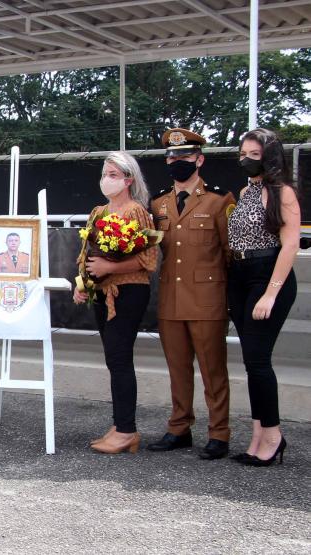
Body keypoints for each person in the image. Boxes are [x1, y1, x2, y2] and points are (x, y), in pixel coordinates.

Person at [147, 128, 236, 460]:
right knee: (178, 368)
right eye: (171, 156)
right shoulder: (159, 203)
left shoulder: (219, 200)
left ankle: (219, 433)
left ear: (199, 159)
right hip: (171, 298)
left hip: (207, 300)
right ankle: (179, 428)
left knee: (214, 371)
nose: (176, 161)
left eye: (183, 156)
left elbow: (230, 252)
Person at [73, 151, 157, 454]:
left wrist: (110, 268)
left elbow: (147, 259)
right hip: (101, 292)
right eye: (104, 173)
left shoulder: (136, 212)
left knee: (120, 358)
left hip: (128, 292)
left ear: (128, 179)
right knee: (113, 358)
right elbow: (86, 253)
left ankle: (126, 430)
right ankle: (120, 423)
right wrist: (82, 284)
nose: (106, 180)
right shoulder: (98, 212)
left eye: (113, 175)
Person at [227, 128, 300, 466]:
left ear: (269, 158)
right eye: (243, 153)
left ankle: (272, 435)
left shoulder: (282, 193)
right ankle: (259, 433)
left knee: (258, 360)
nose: (246, 159)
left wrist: (270, 294)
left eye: (254, 154)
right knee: (251, 362)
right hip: (240, 276)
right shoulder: (245, 192)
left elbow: (290, 244)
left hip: (268, 275)